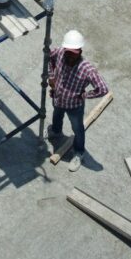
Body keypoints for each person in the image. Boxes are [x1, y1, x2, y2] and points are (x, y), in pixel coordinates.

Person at [47, 30, 108, 172]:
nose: (68, 56)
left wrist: (84, 95)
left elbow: (103, 89)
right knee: (57, 115)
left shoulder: (87, 70)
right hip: (58, 98)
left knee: (78, 129)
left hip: (74, 106)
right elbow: (49, 57)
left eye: (72, 54)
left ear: (79, 51)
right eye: (67, 52)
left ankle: (79, 153)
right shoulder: (61, 53)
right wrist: (51, 76)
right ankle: (56, 131)